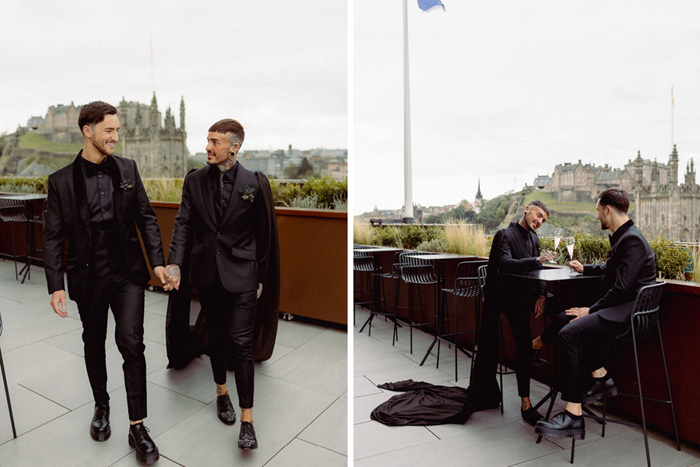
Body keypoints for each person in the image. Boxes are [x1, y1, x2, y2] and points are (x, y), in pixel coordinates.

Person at [44, 101, 165, 465]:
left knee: (132, 344)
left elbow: (146, 218)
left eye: (117, 130)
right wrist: (56, 284)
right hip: (88, 274)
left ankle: (138, 424)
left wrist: (157, 264)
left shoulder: (128, 168)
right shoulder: (61, 181)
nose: (115, 136)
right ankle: (101, 405)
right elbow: (52, 236)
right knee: (93, 344)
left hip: (127, 273)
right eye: (109, 130)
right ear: (88, 131)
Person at [164, 118, 273, 450]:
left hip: (242, 275)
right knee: (217, 339)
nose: (207, 147)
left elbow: (264, 235)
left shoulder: (253, 182)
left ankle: (248, 420)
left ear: (234, 147)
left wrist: (260, 279)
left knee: (240, 344)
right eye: (207, 140)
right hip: (208, 274)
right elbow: (183, 224)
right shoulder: (194, 181)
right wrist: (175, 263)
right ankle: (221, 393)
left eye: (215, 142)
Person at [535, 189, 657, 440]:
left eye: (598, 211)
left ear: (608, 210)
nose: (597, 216)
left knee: (569, 333)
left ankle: (573, 415)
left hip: (628, 316)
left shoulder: (631, 240)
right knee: (563, 319)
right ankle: (601, 377)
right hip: (622, 310)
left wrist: (590, 310)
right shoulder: (625, 237)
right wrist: (585, 268)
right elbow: (613, 270)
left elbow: (622, 288)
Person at [467, 201, 555, 426]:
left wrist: (543, 296)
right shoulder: (504, 234)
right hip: (507, 299)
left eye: (543, 220)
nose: (539, 221)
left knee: (565, 310)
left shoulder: (534, 239)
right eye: (538, 215)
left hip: (528, 296)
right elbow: (505, 264)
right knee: (524, 345)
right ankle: (526, 402)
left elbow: (539, 271)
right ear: (527, 209)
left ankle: (540, 344)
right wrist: (537, 259)